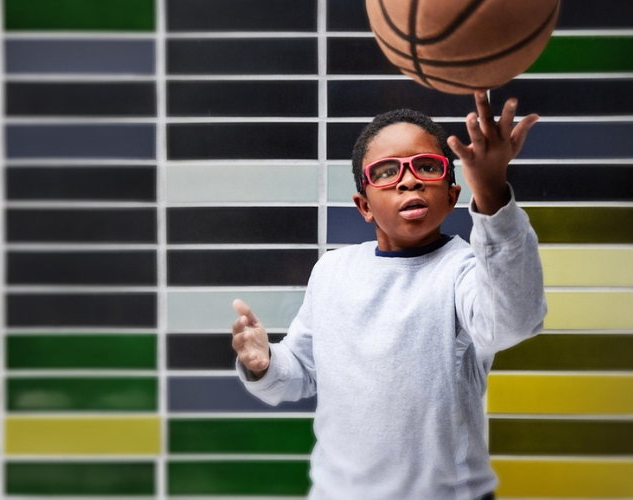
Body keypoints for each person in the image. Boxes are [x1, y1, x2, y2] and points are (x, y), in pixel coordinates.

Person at [231, 90, 547, 500]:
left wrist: (491, 194)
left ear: (452, 195)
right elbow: (300, 374)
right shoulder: (332, 272)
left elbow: (513, 320)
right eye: (386, 172)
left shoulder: (465, 269)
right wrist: (264, 362)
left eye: (427, 166)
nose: (409, 179)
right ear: (363, 205)